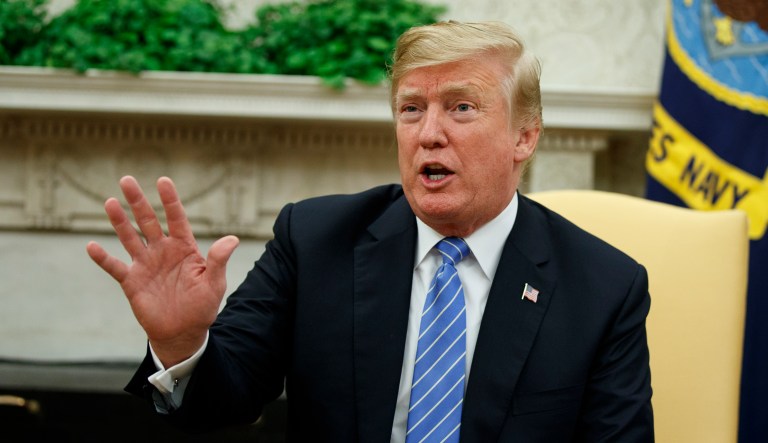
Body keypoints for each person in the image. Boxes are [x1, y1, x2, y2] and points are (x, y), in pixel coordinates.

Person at [87, 21, 654, 442]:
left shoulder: (604, 288)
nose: (429, 133)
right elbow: (225, 399)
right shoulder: (315, 240)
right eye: (411, 109)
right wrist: (183, 343)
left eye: (460, 107)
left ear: (523, 138)